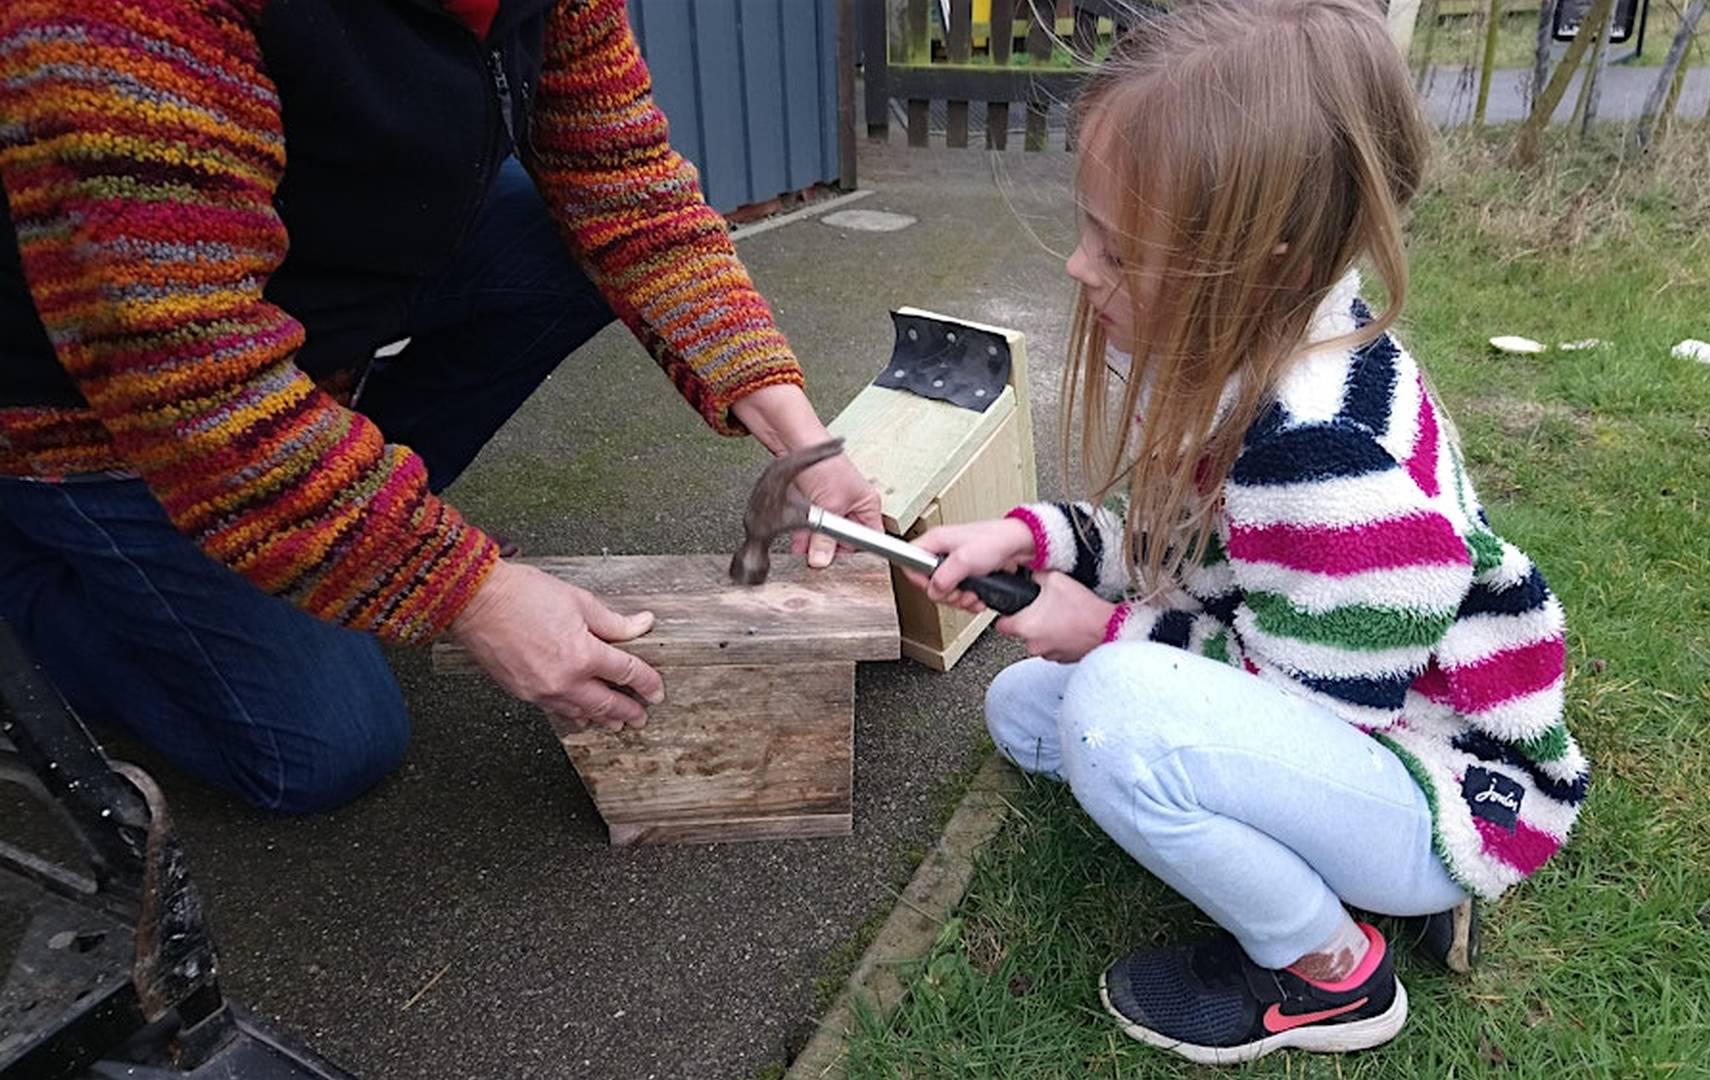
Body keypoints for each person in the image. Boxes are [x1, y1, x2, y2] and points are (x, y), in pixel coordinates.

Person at [909, 0, 1590, 1063]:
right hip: (1346, 712)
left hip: (1433, 777)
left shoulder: (1326, 459)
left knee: (1112, 713)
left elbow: (1315, 710)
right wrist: (1034, 541)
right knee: (1027, 714)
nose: (1081, 270)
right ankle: (1316, 859)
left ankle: (1332, 970)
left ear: (1257, 255)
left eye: (1117, 248)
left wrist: (1106, 635)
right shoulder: (1251, 356)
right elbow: (1179, 548)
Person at [0, 0, 879, 814]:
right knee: (325, 748)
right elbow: (188, 371)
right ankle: (36, 592)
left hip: (301, 305)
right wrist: (466, 589)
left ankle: (335, 504)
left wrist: (803, 441)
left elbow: (632, 198)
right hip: (85, 403)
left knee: (557, 243)